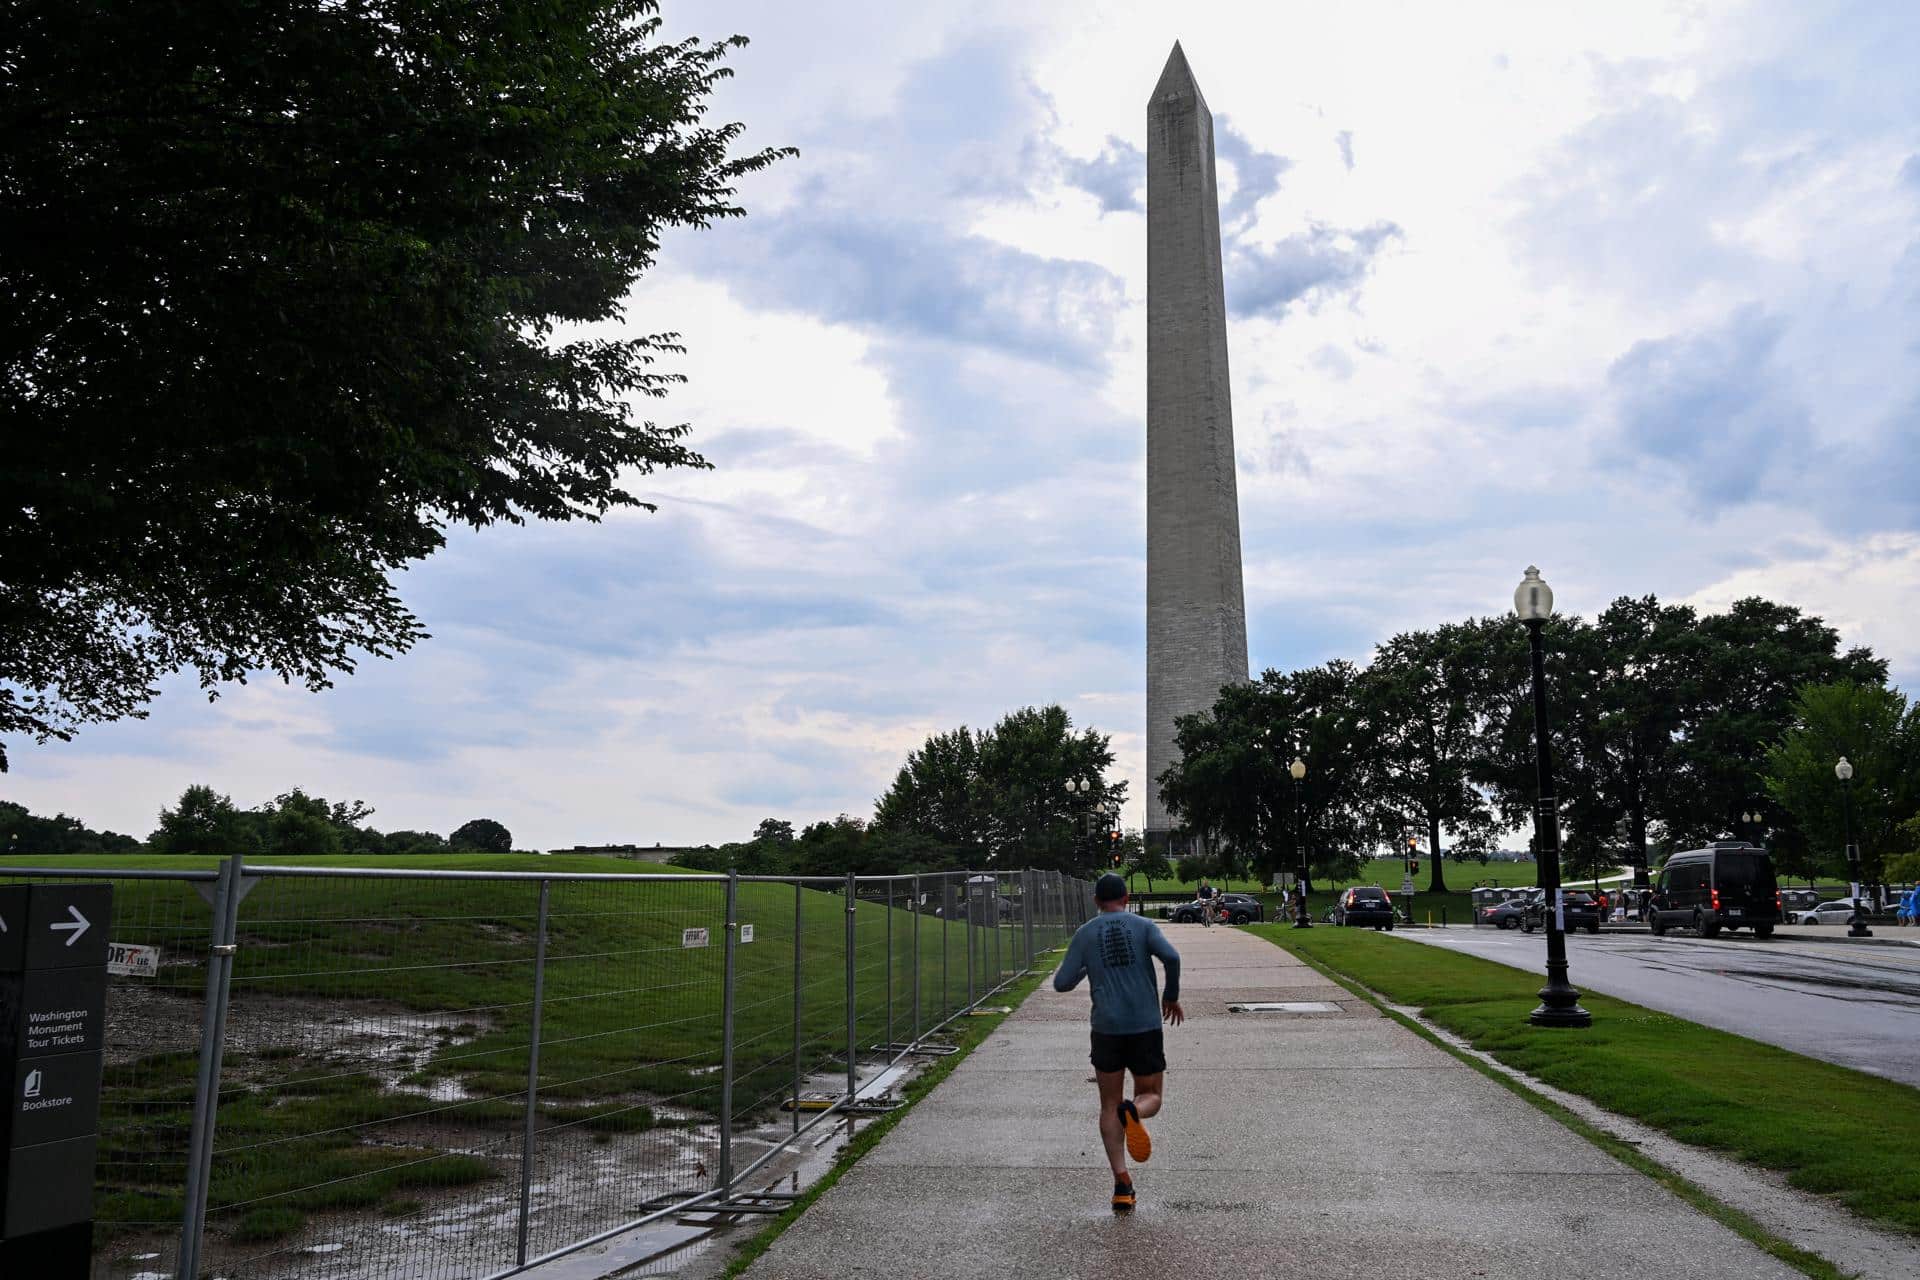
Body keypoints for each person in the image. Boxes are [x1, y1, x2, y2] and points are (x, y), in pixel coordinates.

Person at [1052, 872, 1184, 1215]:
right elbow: (1171, 958)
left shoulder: (1084, 933)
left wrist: (1086, 967)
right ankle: (1135, 1112)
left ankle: (1122, 1185)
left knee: (1108, 1104)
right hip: (1144, 1026)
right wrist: (1170, 996)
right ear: (1126, 897)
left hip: (1106, 1029)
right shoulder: (1143, 926)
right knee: (1151, 1095)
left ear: (1096, 901)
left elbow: (1062, 983)